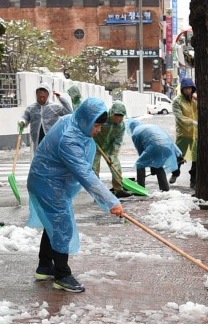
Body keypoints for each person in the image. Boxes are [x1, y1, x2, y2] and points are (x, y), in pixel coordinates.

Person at [27, 97, 125, 293]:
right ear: (87, 120)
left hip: (48, 181)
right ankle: (62, 275)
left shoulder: (74, 122)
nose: (98, 130)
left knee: (53, 223)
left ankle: (45, 266)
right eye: (96, 126)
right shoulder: (70, 140)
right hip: (48, 184)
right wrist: (111, 202)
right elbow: (85, 174)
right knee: (62, 225)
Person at [127, 118, 181, 192]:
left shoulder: (135, 133)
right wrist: (177, 152)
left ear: (131, 128)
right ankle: (165, 189)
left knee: (140, 164)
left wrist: (150, 165)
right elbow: (167, 137)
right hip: (167, 145)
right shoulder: (151, 126)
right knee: (158, 165)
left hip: (155, 145)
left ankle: (140, 189)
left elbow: (141, 152)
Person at [20, 84, 73, 155]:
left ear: (48, 95)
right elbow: (25, 117)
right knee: (38, 157)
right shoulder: (31, 108)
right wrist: (22, 122)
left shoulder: (54, 107)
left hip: (51, 139)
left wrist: (61, 98)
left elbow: (69, 112)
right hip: (37, 139)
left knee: (51, 157)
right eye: (40, 97)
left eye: (43, 97)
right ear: (36, 95)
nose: (42, 99)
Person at [92, 101, 130, 199]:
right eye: (117, 116)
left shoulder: (121, 126)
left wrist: (113, 154)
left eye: (122, 116)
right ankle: (98, 194)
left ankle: (118, 189)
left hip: (109, 146)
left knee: (116, 165)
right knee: (94, 168)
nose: (120, 118)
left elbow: (118, 141)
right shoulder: (102, 119)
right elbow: (91, 126)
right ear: (112, 113)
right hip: (95, 145)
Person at [172, 77, 198, 188]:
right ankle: (175, 173)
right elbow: (179, 117)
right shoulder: (177, 101)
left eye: (190, 88)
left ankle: (193, 180)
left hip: (195, 134)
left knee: (196, 158)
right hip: (183, 133)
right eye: (186, 89)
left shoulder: (194, 100)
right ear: (182, 89)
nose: (188, 91)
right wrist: (192, 122)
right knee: (179, 156)